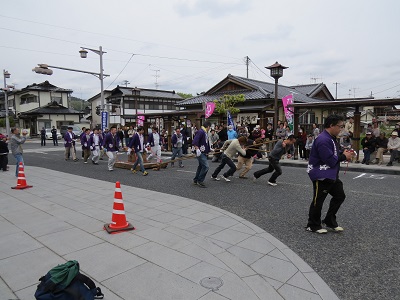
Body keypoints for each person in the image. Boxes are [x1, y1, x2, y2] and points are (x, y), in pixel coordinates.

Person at [306, 114, 354, 234]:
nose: (341, 129)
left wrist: (342, 152)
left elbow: (333, 153)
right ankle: (312, 225)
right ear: (331, 125)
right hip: (321, 174)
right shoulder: (323, 139)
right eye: (340, 126)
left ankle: (329, 220)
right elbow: (329, 159)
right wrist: (344, 156)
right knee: (318, 200)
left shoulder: (330, 137)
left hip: (331, 174)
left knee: (339, 196)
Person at [192, 121, 211, 187]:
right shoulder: (201, 132)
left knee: (201, 166)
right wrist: (197, 148)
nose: (209, 129)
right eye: (209, 127)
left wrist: (209, 149)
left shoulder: (204, 132)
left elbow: (205, 143)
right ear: (208, 126)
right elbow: (195, 140)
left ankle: (196, 179)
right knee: (206, 166)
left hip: (203, 151)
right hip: (200, 152)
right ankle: (200, 180)